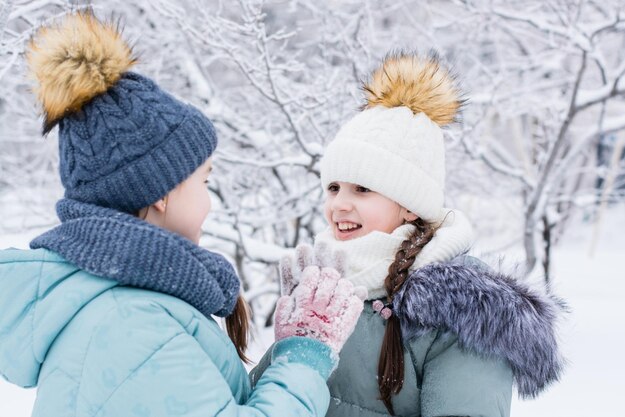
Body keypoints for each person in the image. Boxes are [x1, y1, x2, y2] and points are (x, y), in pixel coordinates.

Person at [0, 11, 365, 417]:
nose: (209, 201)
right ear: (161, 192)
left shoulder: (127, 301)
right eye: (204, 182)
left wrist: (290, 352)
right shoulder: (130, 322)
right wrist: (303, 359)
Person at [251, 52, 565, 417]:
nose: (339, 204)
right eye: (334, 187)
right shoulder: (323, 291)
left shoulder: (465, 310)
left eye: (362, 189)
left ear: (410, 204)